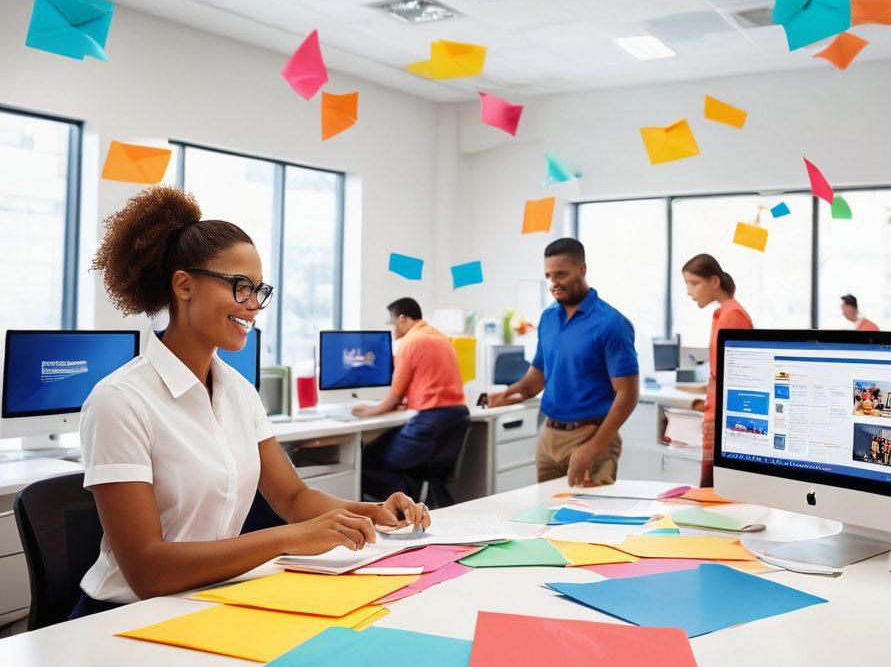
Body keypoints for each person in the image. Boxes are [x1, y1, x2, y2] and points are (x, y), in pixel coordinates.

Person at [76, 187, 427, 619]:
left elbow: (294, 498)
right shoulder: (120, 401)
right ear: (183, 285)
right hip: (121, 616)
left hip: (207, 601)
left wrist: (370, 513)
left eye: (259, 290)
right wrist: (289, 538)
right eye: (240, 287)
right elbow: (148, 572)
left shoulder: (238, 392)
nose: (254, 306)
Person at [487, 238, 639, 487]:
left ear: (582, 269)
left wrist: (591, 449)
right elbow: (536, 379)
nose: (554, 283)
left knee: (587, 523)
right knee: (545, 519)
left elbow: (628, 395)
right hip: (549, 438)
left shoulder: (612, 324)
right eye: (549, 276)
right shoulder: (548, 319)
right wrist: (507, 394)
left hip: (591, 436)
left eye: (561, 275)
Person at [354, 297, 469, 500]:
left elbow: (395, 394)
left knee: (364, 457)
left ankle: (402, 500)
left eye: (391, 324)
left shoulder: (410, 342)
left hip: (430, 423)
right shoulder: (440, 337)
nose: (392, 330)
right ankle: (407, 495)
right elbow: (430, 384)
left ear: (402, 319)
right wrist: (404, 402)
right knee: (385, 447)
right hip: (455, 417)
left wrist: (368, 411)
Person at [682, 253, 753, 487]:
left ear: (714, 281)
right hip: (716, 410)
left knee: (718, 488)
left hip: (727, 417)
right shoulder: (721, 312)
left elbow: (736, 376)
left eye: (694, 283)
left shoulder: (732, 314)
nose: (689, 291)